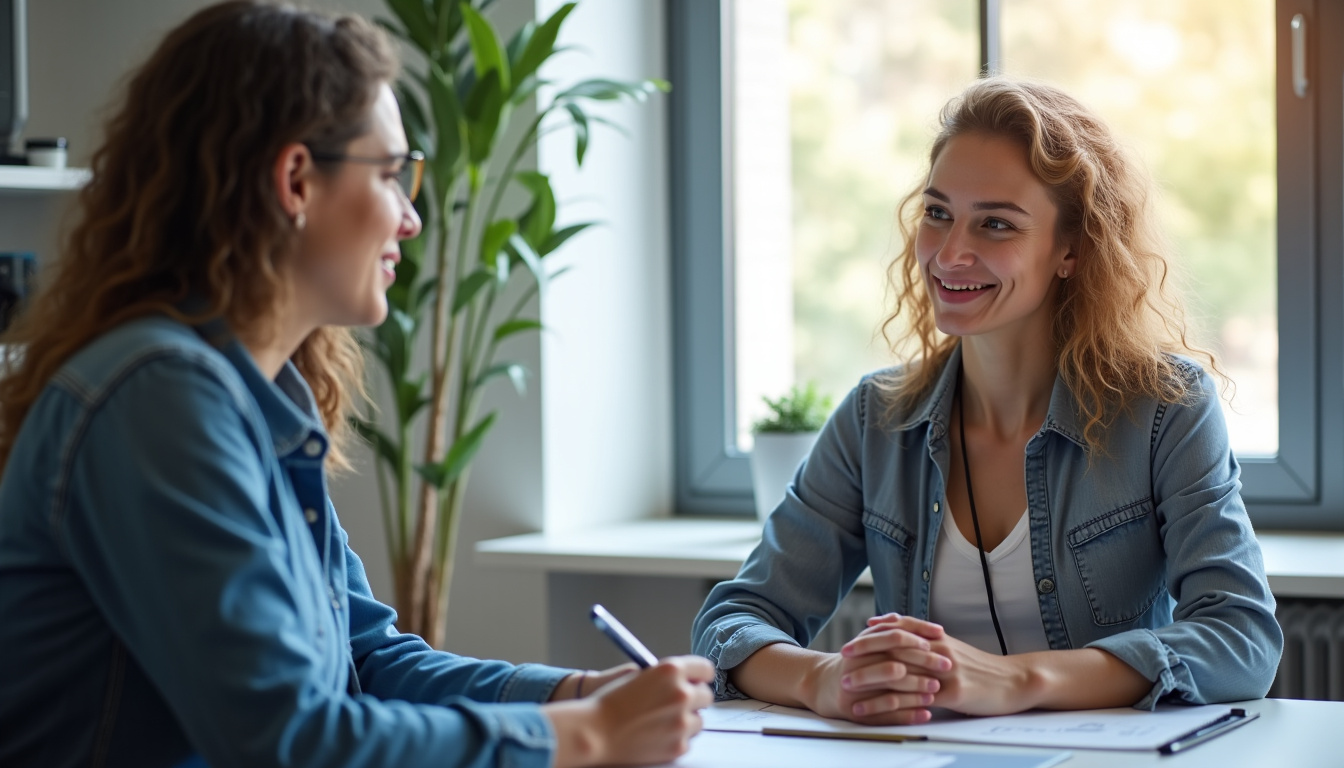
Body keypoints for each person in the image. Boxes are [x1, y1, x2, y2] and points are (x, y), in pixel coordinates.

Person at [0, 3, 711, 767]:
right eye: (393, 173)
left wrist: (572, 695)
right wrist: (590, 737)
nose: (410, 217)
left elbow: (365, 661)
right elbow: (287, 737)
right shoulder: (156, 399)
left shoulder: (254, 399)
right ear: (297, 179)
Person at [692, 76, 1283, 725]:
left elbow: (1241, 640)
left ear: (1070, 250)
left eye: (995, 223)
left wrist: (1018, 679)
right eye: (938, 213)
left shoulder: (1165, 410)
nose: (949, 254)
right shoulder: (875, 419)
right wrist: (825, 680)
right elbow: (733, 621)